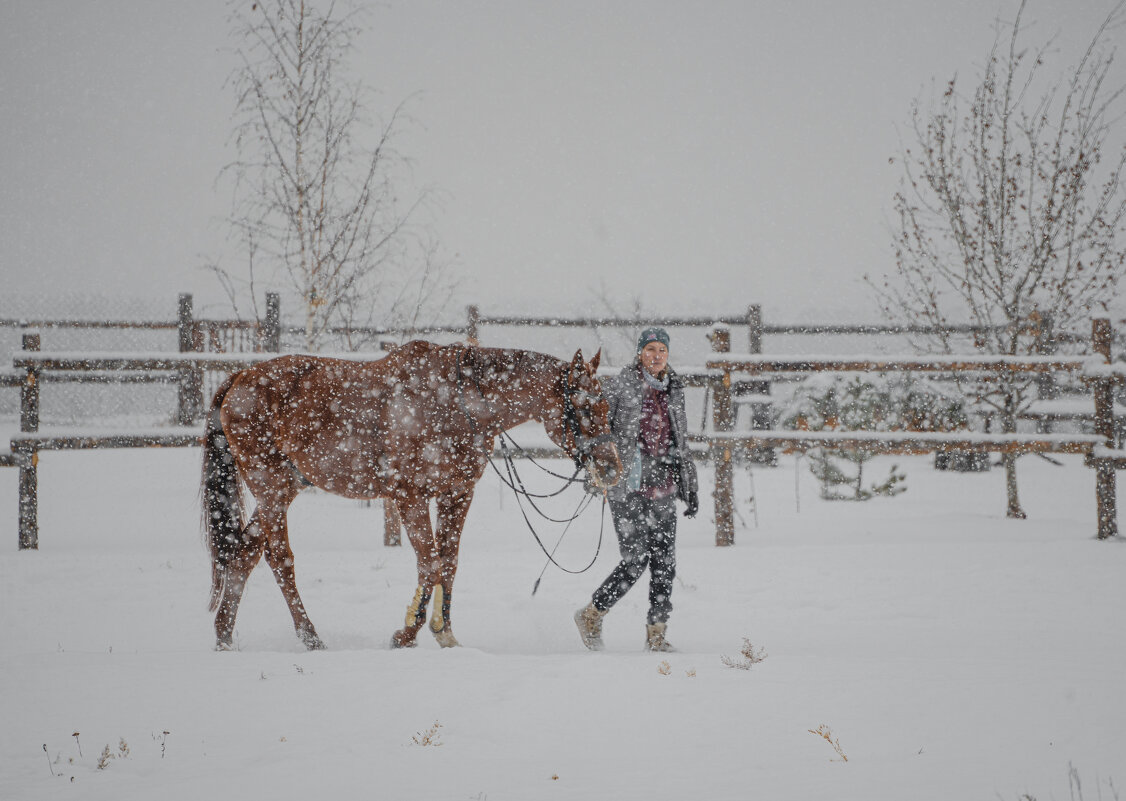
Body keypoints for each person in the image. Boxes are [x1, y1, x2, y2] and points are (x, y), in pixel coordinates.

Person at [574, 326, 698, 652]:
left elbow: (680, 440)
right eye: (650, 349)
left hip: (664, 487)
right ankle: (591, 613)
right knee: (635, 560)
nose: (656, 356)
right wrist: (595, 472)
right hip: (628, 488)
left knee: (665, 563)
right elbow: (598, 433)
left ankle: (656, 635)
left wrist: (690, 484)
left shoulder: (674, 388)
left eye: (662, 350)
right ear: (640, 353)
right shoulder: (620, 386)